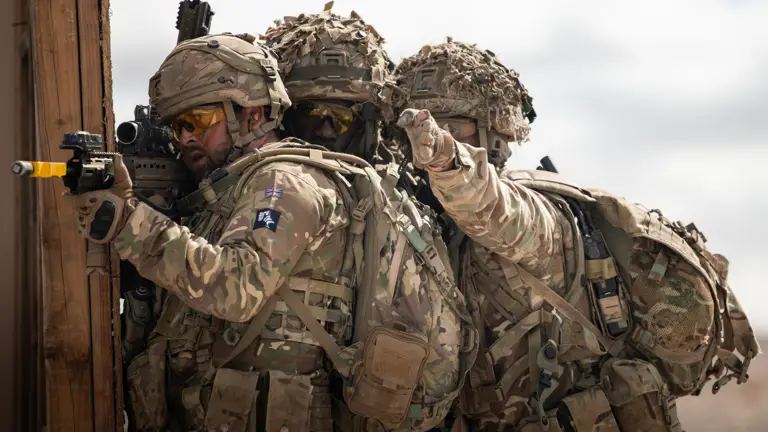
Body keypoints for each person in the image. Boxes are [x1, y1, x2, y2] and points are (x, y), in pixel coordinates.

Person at [393, 39, 760, 431]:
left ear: (493, 140)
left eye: (452, 128)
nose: (415, 147)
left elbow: (489, 206)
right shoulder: (420, 231)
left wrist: (446, 159)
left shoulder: (541, 221)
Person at [68, 32, 364, 432]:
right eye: (177, 127)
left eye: (198, 121)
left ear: (253, 116)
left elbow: (240, 287)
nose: (185, 137)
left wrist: (130, 225)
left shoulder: (284, 182)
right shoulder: (224, 189)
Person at [261, 6, 477, 432]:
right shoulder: (270, 186)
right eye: (313, 115)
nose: (326, 131)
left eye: (341, 118)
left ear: (367, 124)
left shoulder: (404, 195)